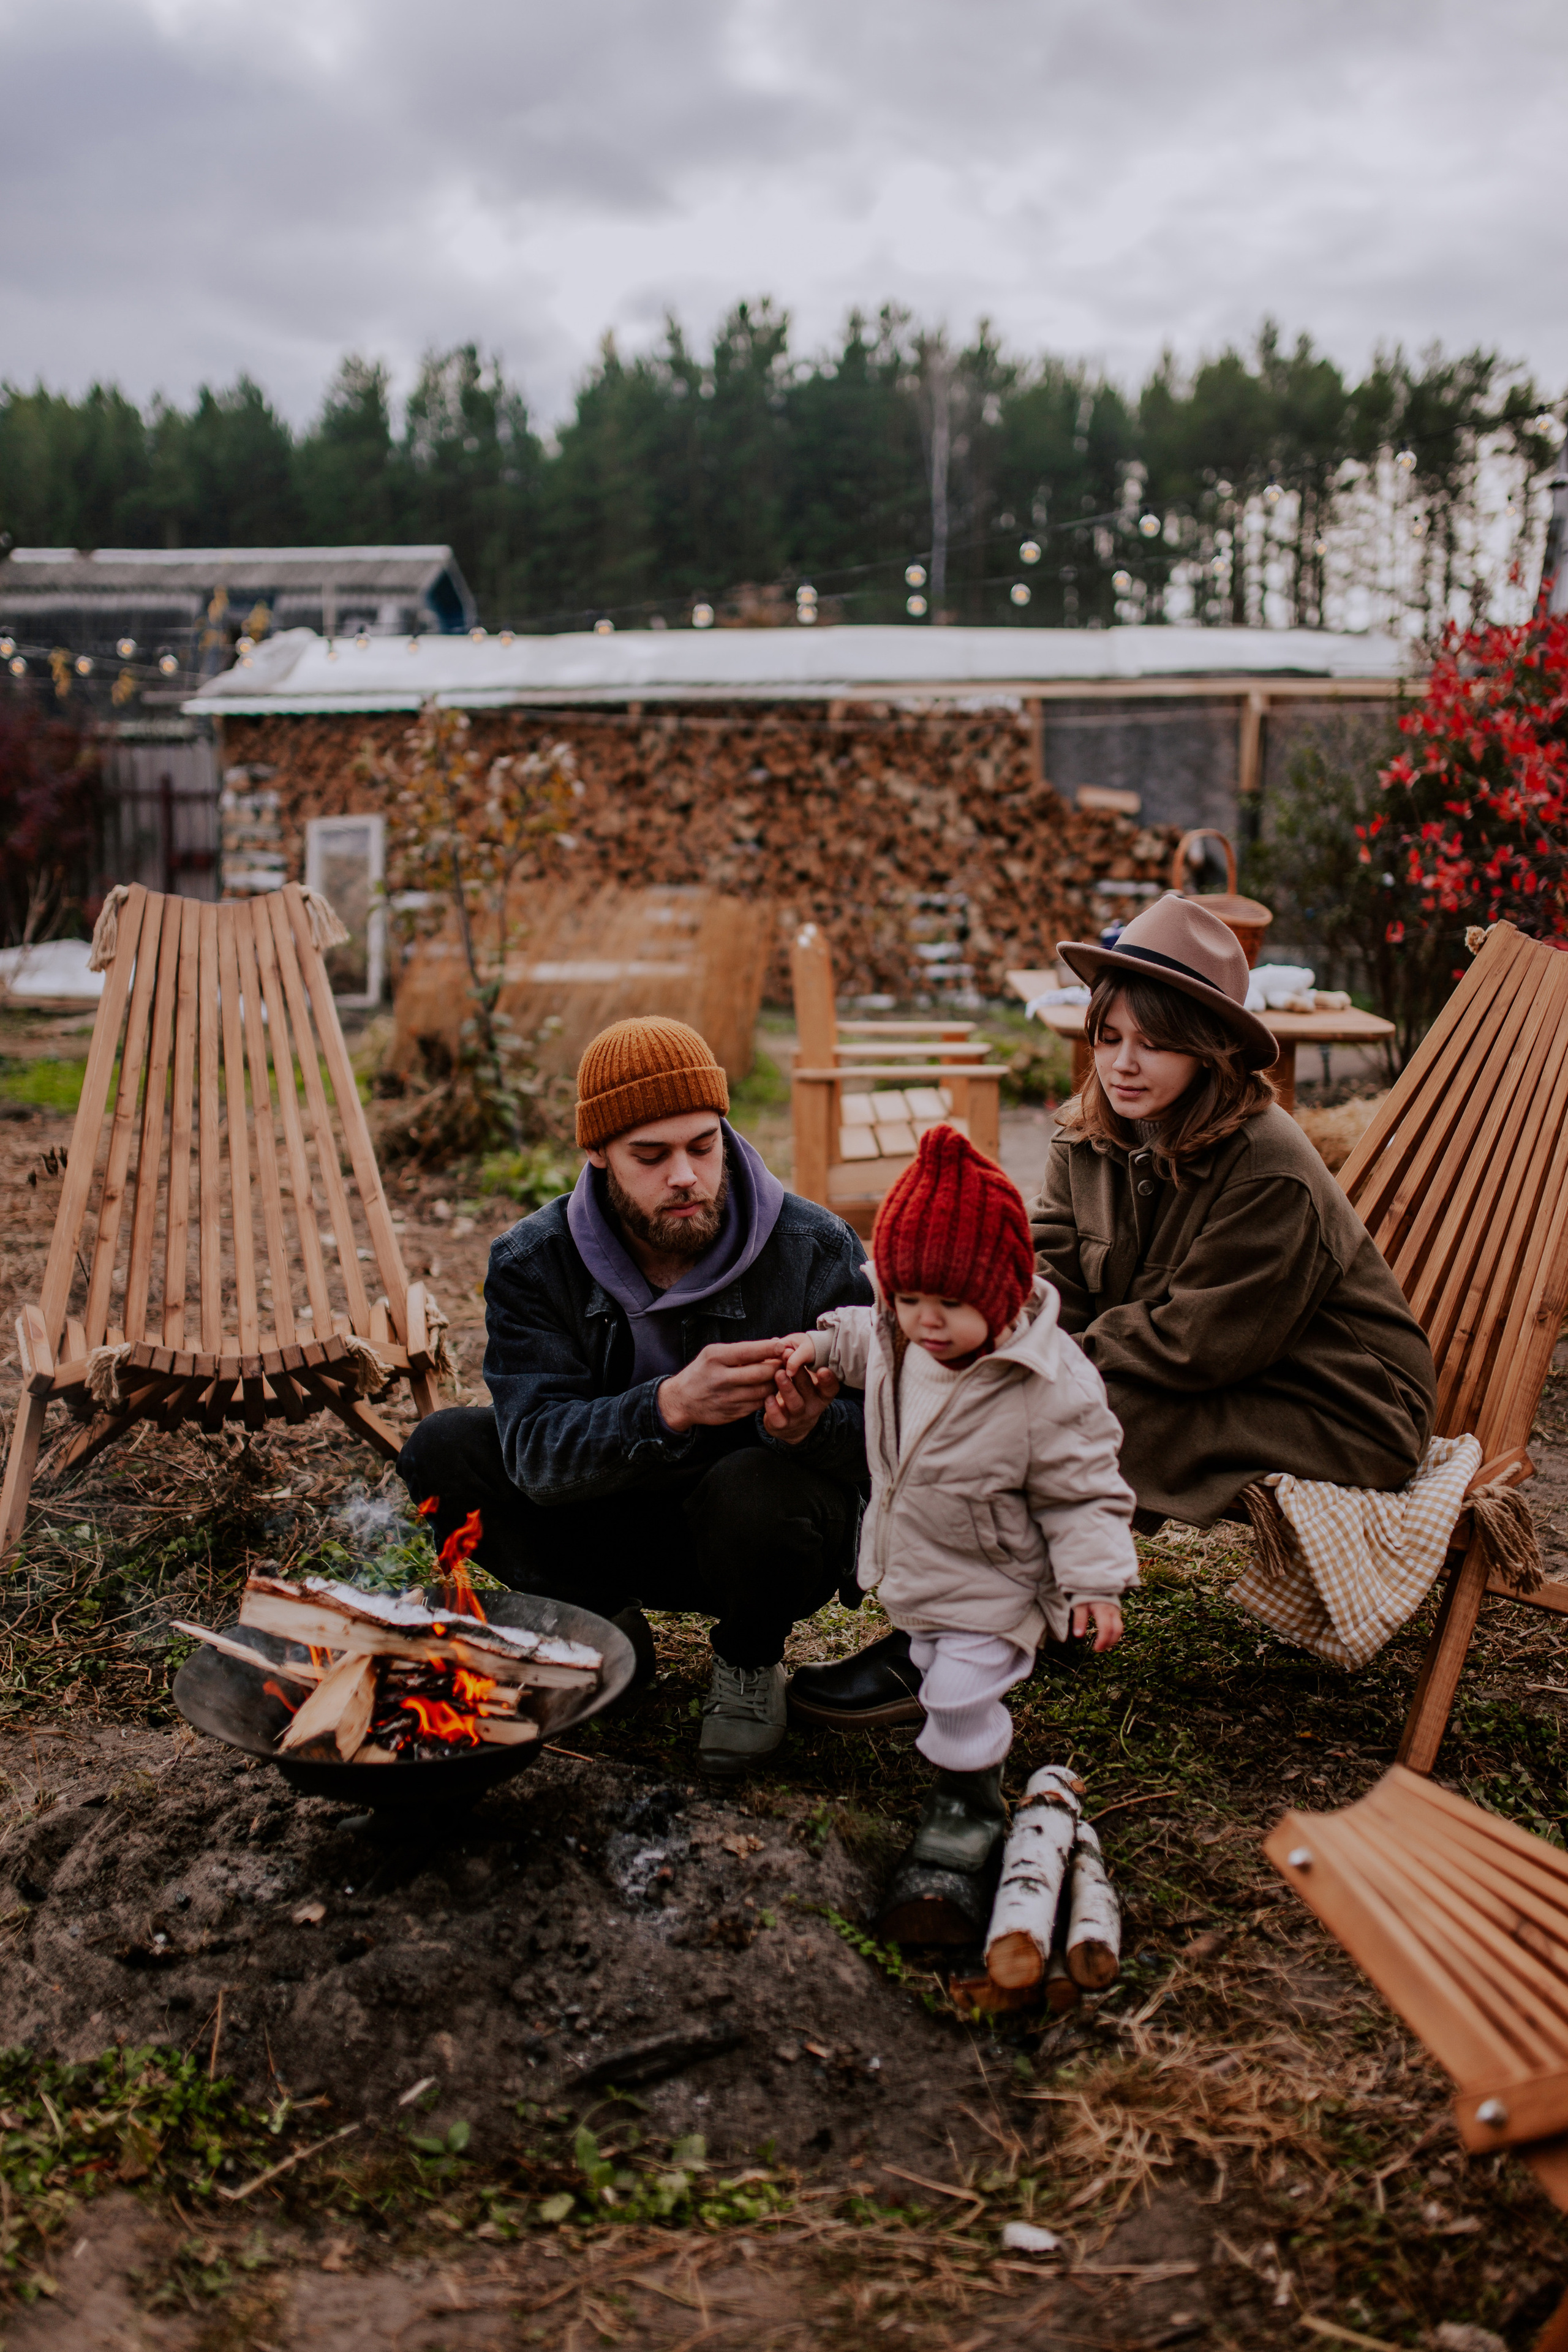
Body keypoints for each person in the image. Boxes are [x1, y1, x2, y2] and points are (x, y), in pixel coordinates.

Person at [790, 892, 1437, 1730]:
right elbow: (1048, 1279)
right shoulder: (1087, 1134)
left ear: (1210, 1052)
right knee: (1036, 1394)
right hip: (1201, 1361)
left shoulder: (1269, 1169)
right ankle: (995, 1610)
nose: (1124, 1065)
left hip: (1340, 1400)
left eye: (1156, 1043)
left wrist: (1029, 1374)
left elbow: (1197, 1345)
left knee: (1078, 1414)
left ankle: (952, 1643)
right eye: (1109, 1038)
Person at [398, 1016, 873, 1778]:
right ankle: (598, 1622)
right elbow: (534, 1457)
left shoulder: (815, 1249)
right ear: (597, 1154)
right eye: (649, 1157)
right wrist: (670, 1405)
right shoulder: (532, 1262)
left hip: (755, 1538)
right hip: (603, 1517)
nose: (684, 1175)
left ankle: (749, 1662)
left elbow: (889, 1442)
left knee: (757, 1485)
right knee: (444, 1450)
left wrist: (810, 1429)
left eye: (702, 1146)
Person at [769, 1123, 1137, 1906]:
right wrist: (820, 1343)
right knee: (935, 1666)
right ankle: (951, 1752)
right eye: (908, 1299)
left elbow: (1085, 1493)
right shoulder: (907, 1339)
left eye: (949, 1303)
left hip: (997, 1581)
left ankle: (966, 1807)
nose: (927, 1321)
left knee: (961, 1696)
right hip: (922, 1566)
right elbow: (866, 1338)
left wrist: (1096, 1584)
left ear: (1001, 1294)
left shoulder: (1046, 1386)